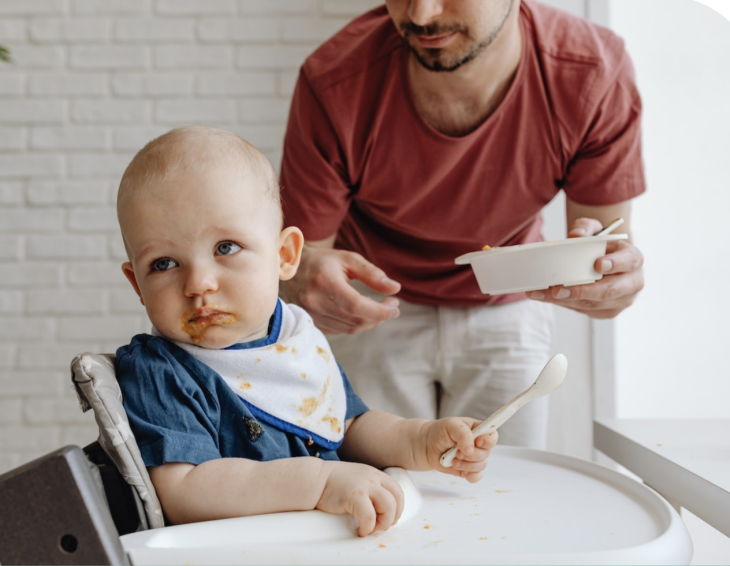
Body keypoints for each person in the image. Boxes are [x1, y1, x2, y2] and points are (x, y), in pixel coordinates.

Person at [278, 0, 646, 448]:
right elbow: (301, 260)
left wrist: (607, 283)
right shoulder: (334, 79)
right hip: (375, 303)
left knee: (507, 488)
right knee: (378, 494)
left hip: (508, 298)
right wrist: (300, 281)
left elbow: (604, 246)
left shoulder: (592, 72)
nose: (420, 14)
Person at [113, 125, 498, 536]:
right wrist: (320, 482)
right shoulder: (162, 370)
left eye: (225, 248)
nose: (198, 283)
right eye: (164, 264)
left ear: (284, 256)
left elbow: (347, 427)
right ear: (137, 284)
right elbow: (185, 491)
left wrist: (419, 439)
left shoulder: (295, 341)